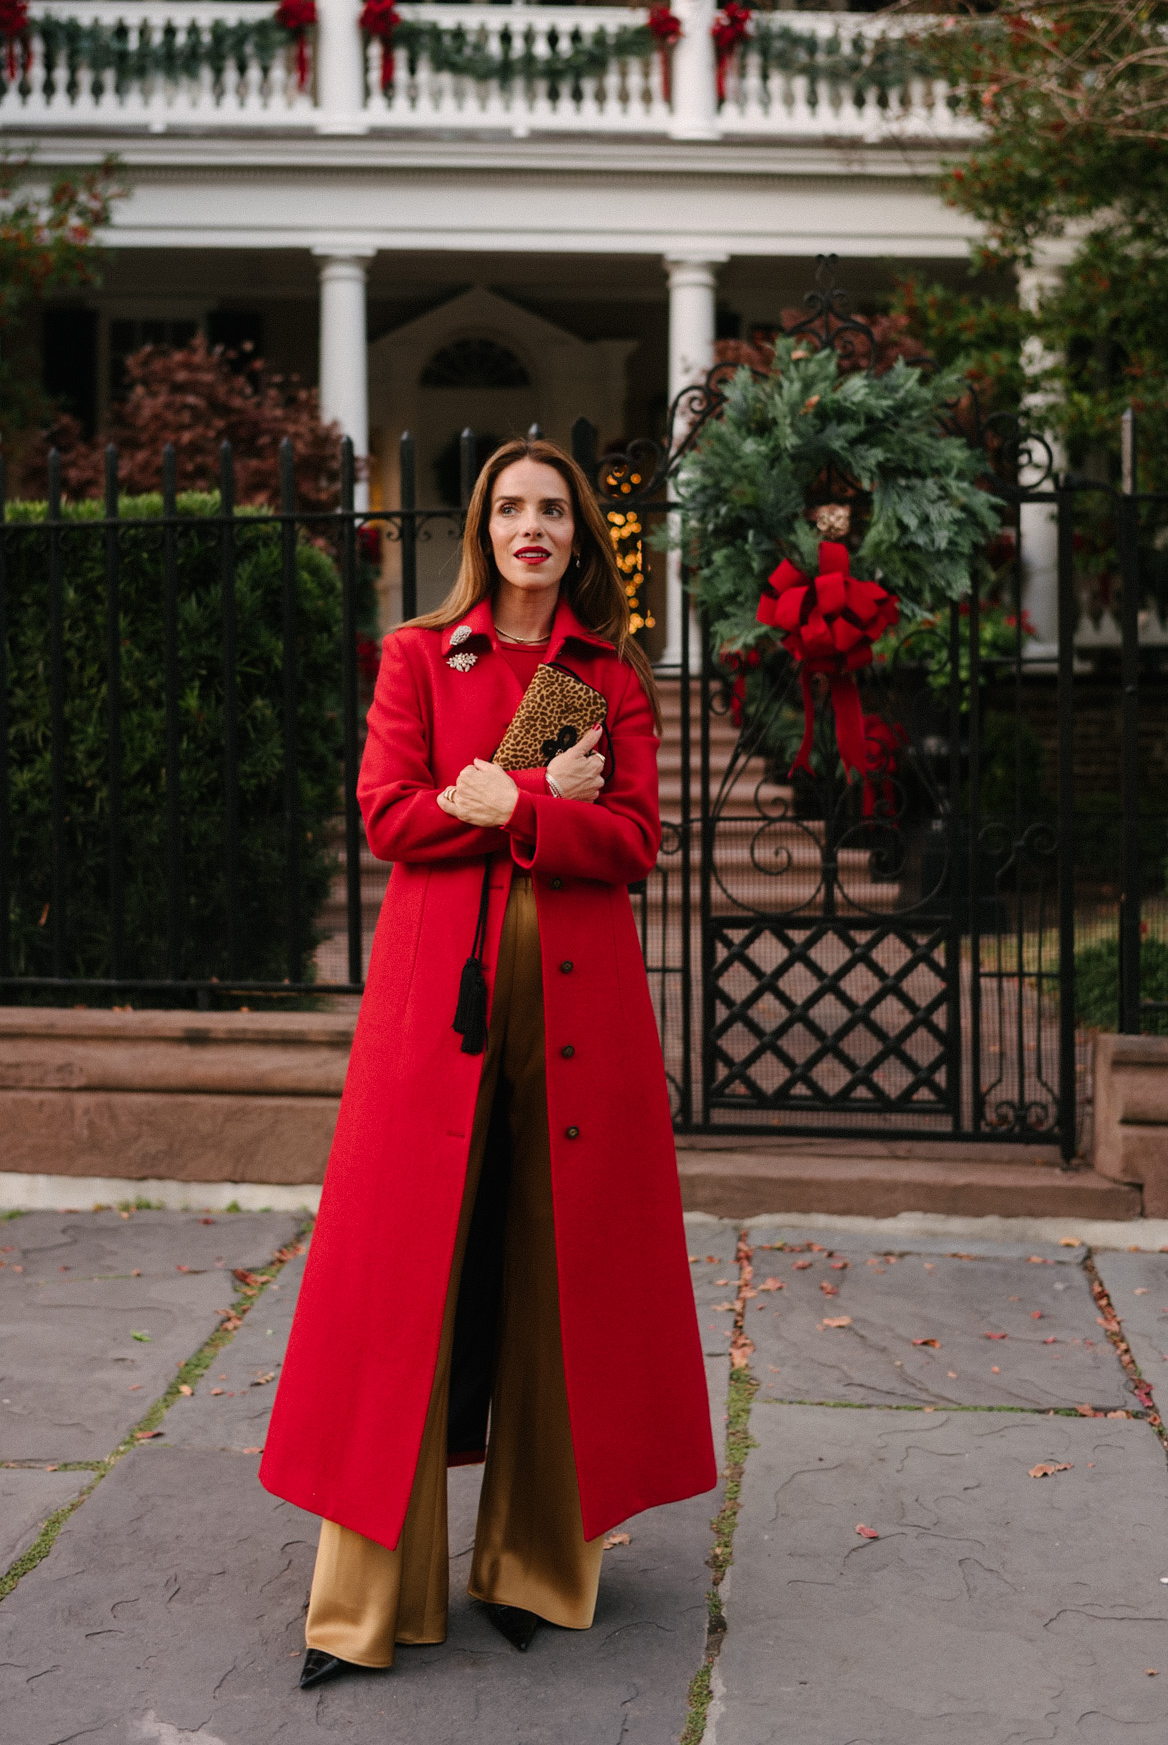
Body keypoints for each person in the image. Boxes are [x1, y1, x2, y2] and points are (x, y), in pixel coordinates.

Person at [260, 437, 716, 1688]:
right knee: (403, 1280)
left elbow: (631, 840)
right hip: (437, 1009)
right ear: (481, 527)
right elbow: (389, 811)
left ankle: (533, 1566)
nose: (532, 528)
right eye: (511, 508)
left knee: (557, 1268)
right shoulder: (419, 654)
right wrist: (525, 791)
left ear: (580, 534)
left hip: (580, 1016)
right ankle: (365, 1604)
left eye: (552, 510)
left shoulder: (605, 673)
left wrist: (509, 810)